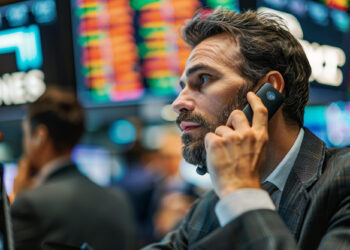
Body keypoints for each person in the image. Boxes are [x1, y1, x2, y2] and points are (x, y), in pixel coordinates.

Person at [143, 8, 350, 250]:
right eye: (183, 87)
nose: (178, 103)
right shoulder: (207, 208)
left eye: (204, 79)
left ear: (268, 91)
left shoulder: (341, 181)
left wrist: (239, 193)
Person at [11, 87, 137, 250]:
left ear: (39, 137)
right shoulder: (119, 200)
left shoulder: (29, 204)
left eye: (26, 134)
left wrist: (17, 201)